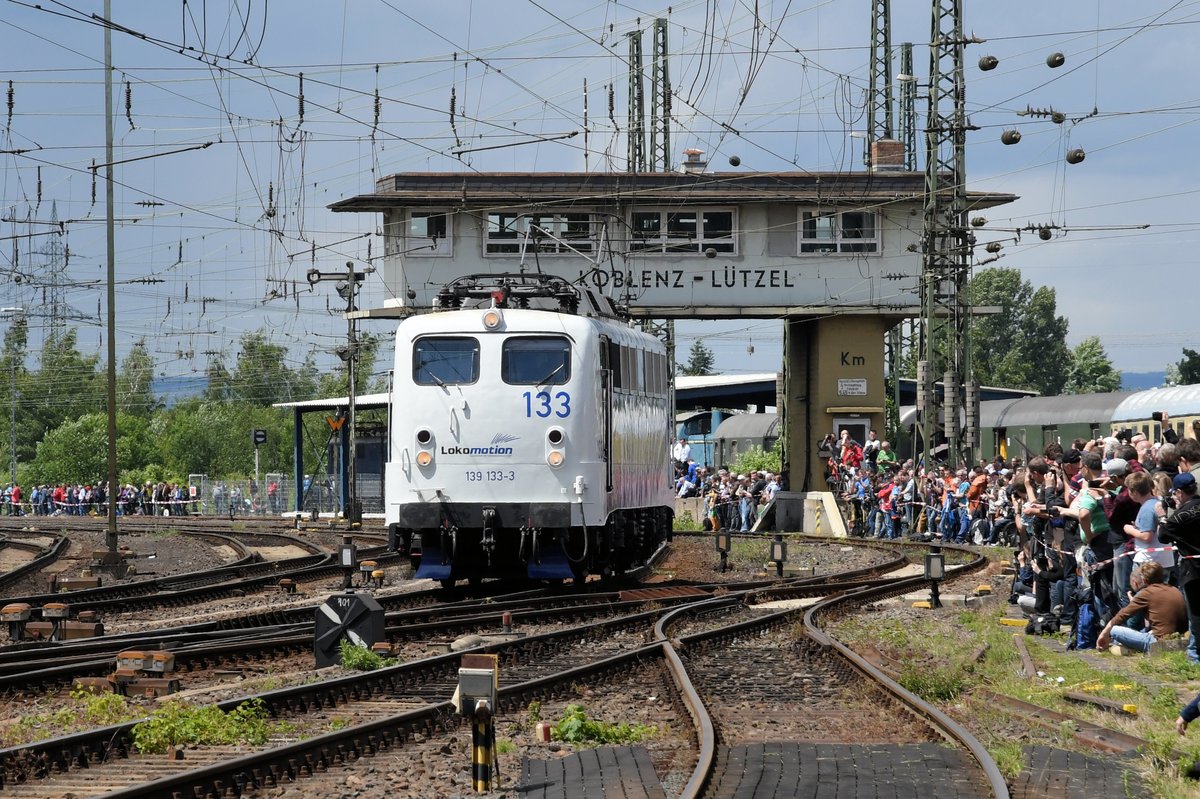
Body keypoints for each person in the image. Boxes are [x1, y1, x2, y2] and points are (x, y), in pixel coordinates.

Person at [1096, 561, 1187, 653]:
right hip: (1180, 639)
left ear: (1143, 580)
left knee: (1115, 630)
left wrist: (1104, 633)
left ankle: (1117, 646)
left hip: (1160, 643)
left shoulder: (1146, 593)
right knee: (1145, 630)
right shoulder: (1175, 589)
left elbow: (1122, 615)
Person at [1159, 471, 1200, 664]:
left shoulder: (1179, 516)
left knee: (1196, 613)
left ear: (1180, 493)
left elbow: (1163, 536)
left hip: (1193, 570)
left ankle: (1196, 654)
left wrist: (1163, 516)